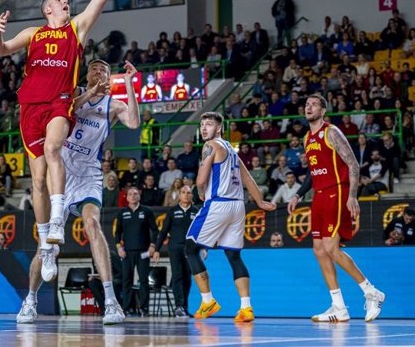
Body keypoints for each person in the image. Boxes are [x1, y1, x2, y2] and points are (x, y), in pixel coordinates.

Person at [0, 0, 134, 270]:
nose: (65, 2)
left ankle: (57, 221)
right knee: (36, 179)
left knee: (54, 149)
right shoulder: (33, 34)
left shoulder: (77, 29)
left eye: (66, 0)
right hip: (30, 108)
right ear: (47, 9)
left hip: (60, 103)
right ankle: (47, 244)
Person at [16, 60, 140, 325]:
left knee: (93, 224)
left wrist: (129, 84)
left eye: (103, 71)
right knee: (45, 243)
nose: (98, 72)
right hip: (61, 171)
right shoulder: (74, 93)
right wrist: (90, 93)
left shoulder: (113, 105)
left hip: (88, 174)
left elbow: (133, 123)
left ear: (109, 78)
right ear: (87, 75)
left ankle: (111, 302)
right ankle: (30, 300)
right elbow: (67, 108)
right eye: (94, 69)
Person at [288, 94, 385, 322]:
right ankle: (339, 307)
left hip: (337, 191)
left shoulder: (331, 132)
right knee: (319, 250)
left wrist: (352, 195)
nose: (308, 107)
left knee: (331, 248)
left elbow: (353, 162)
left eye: (314, 104)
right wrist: (298, 194)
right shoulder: (306, 139)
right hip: (319, 196)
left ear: (323, 111)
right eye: (306, 105)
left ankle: (372, 292)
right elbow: (313, 174)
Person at [185, 112, 276, 322]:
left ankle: (207, 301)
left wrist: (200, 191)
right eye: (202, 124)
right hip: (238, 206)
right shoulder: (232, 151)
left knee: (190, 248)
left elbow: (201, 179)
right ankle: (246, 308)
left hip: (218, 203)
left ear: (218, 128)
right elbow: (248, 178)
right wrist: (260, 202)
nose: (204, 128)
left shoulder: (210, 146)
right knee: (233, 255)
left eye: (208, 124)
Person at [152, 185, 200, 319]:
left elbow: (201, 232)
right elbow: (163, 232)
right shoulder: (172, 211)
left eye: (188, 193)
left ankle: (184, 307)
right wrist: (157, 249)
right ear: (179, 195)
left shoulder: (196, 212)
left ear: (192, 196)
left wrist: (204, 248)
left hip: (190, 250)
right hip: (175, 248)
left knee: (188, 278)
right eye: (183, 192)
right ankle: (178, 306)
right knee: (177, 276)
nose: (186, 195)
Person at [115, 186, 158, 317]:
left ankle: (144, 308)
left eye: (135, 193)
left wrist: (152, 246)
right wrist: (119, 248)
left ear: (139, 195)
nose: (133, 196)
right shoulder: (122, 212)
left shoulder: (147, 211)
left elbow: (155, 230)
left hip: (143, 252)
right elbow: (117, 233)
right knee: (127, 280)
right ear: (126, 197)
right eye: (130, 194)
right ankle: (126, 308)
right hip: (127, 252)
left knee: (144, 281)